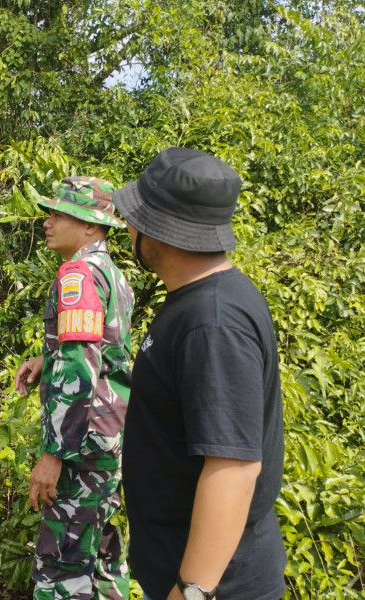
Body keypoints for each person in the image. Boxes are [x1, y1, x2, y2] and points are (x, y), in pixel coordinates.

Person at [112, 147, 286, 600]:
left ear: (161, 230)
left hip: (216, 586)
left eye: (135, 216)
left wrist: (191, 591)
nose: (128, 227)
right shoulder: (201, 300)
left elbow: (233, 466)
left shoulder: (212, 322)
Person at [15, 177, 134, 600]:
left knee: (63, 569)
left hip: (81, 447)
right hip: (109, 438)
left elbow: (82, 369)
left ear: (90, 225)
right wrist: (46, 360)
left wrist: (54, 453)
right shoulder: (111, 274)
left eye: (59, 214)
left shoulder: (78, 275)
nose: (48, 222)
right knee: (100, 559)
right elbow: (104, 349)